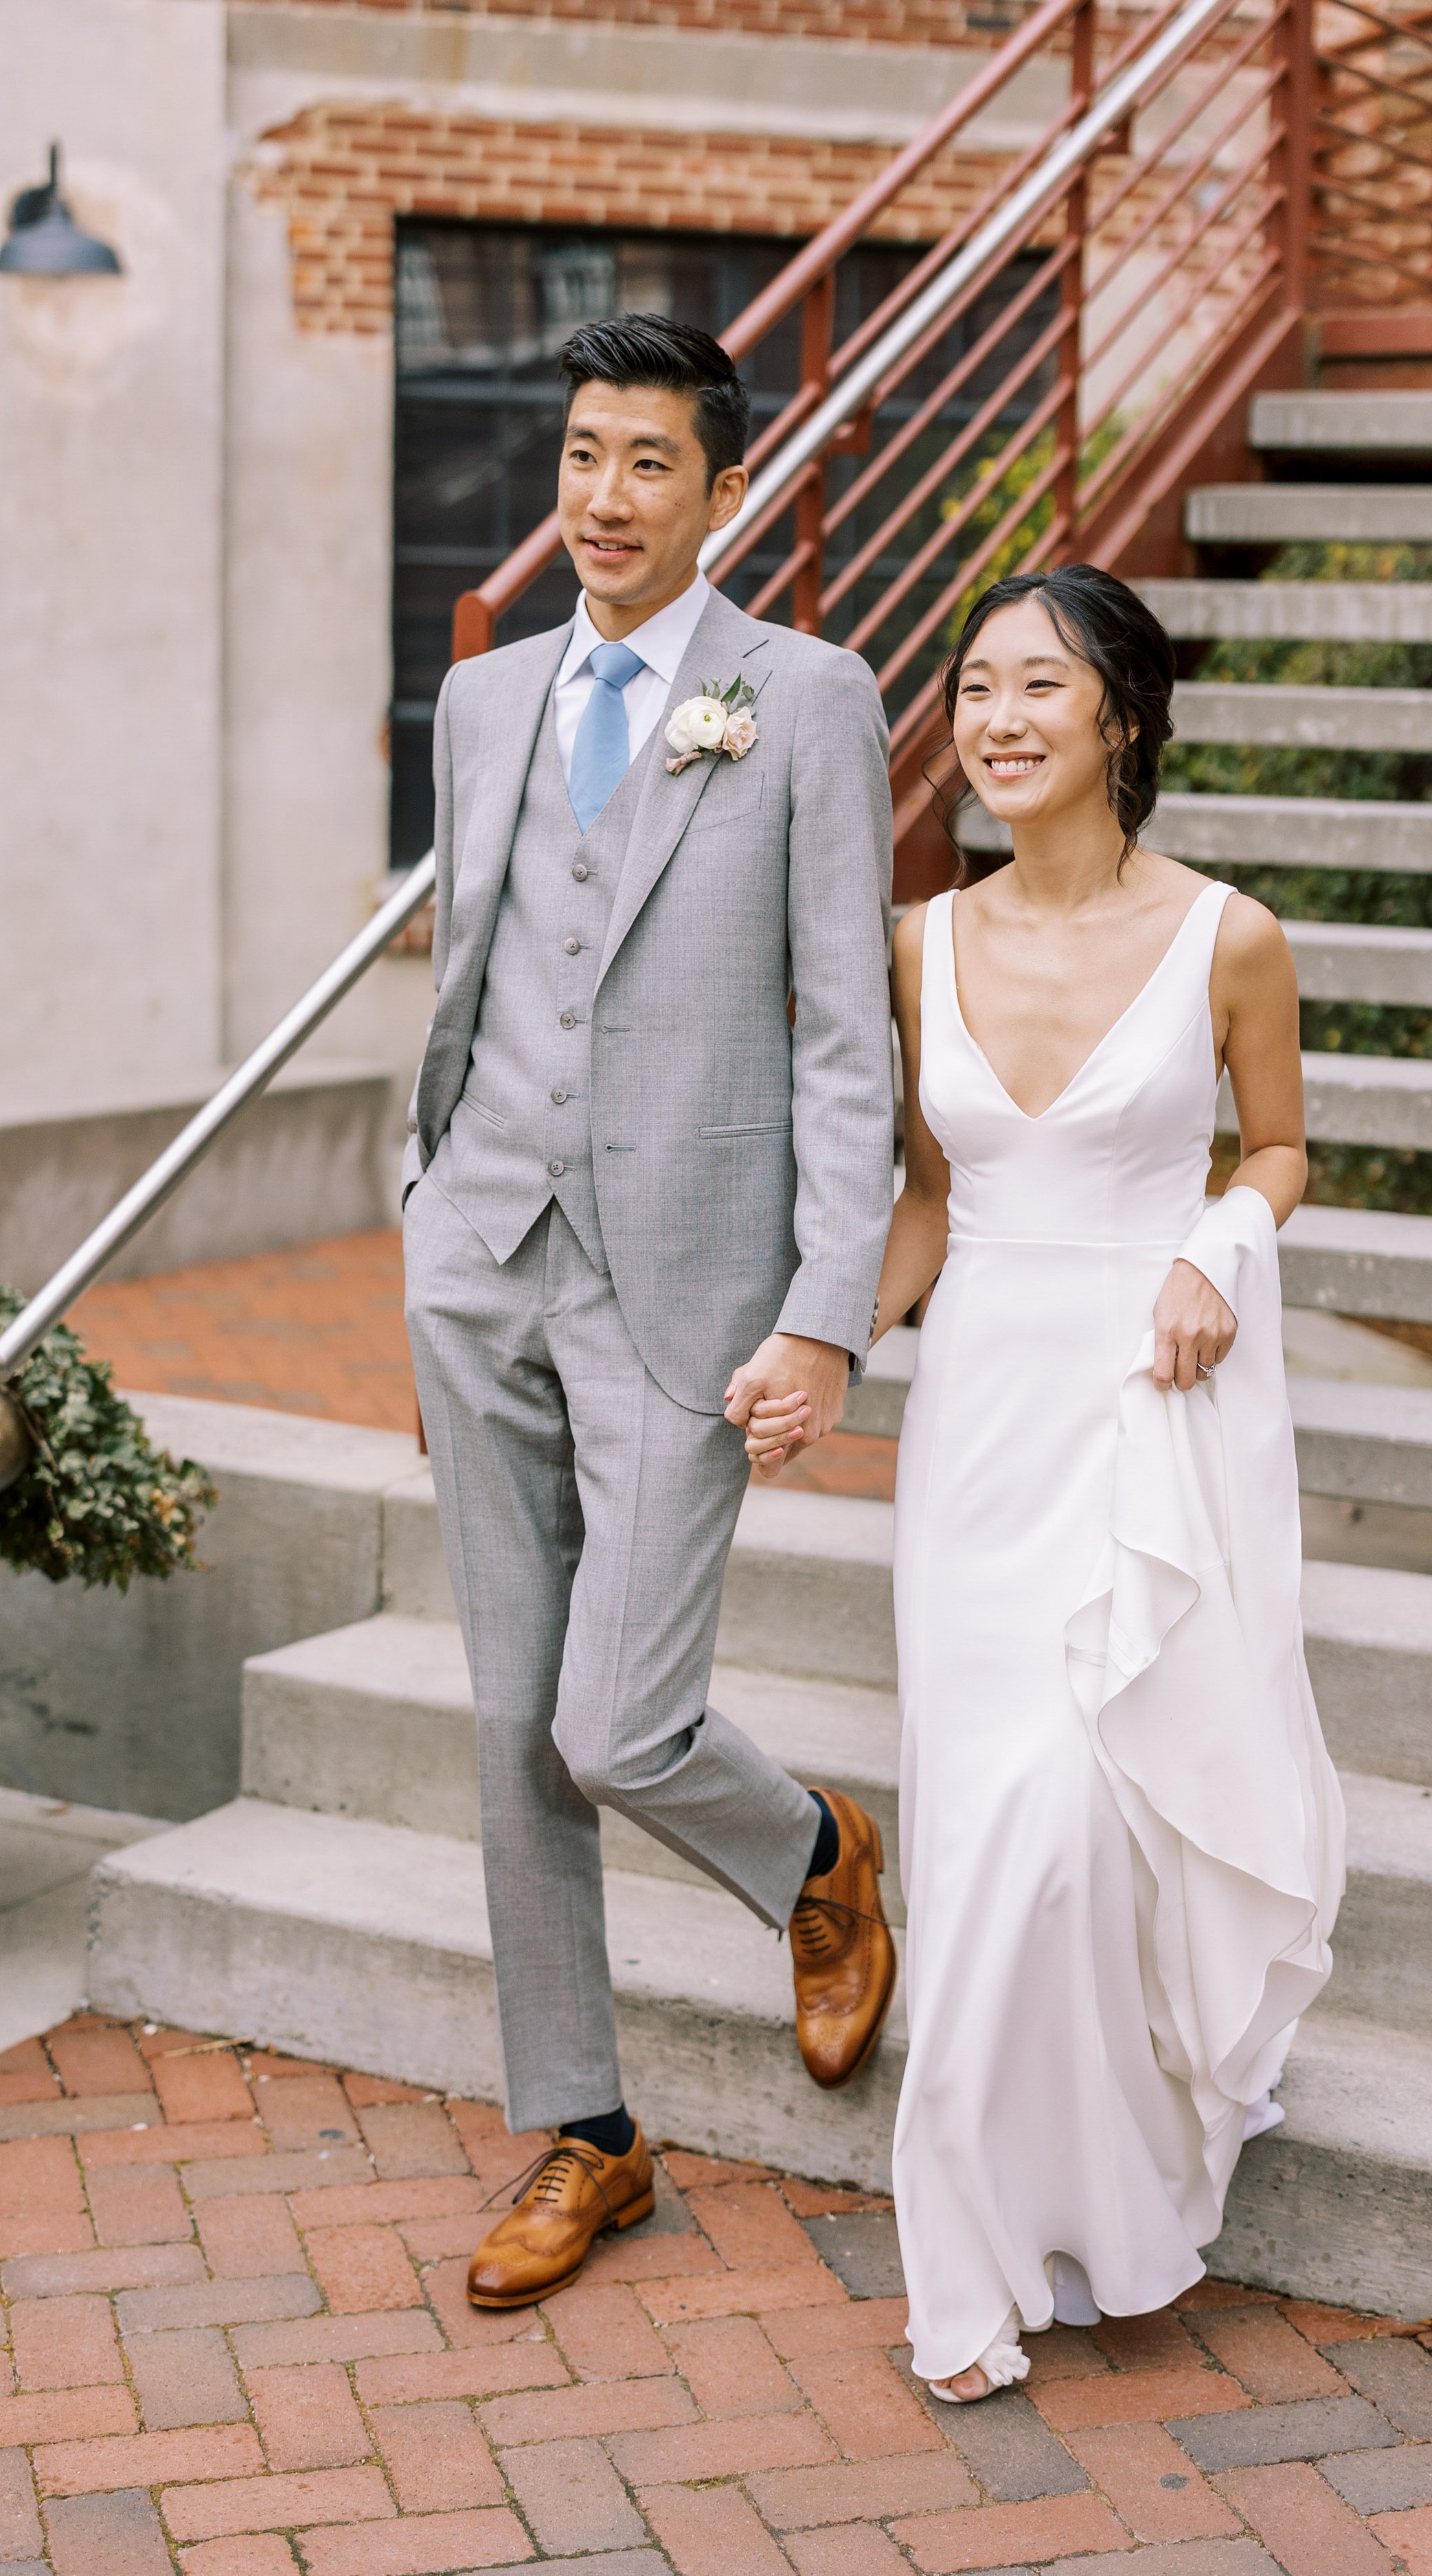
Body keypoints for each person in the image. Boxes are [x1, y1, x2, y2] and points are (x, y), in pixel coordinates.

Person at [749, 563, 1345, 2400]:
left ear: (1121, 718)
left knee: (1101, 1828)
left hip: (1160, 1403)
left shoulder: (1227, 935)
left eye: (1037, 685)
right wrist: (822, 1343)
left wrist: (1213, 1255)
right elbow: (925, 1199)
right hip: (987, 1412)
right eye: (974, 685)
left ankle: (1117, 2188)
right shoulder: (918, 942)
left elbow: (1280, 1147)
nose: (994, 718)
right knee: (995, 1820)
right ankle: (970, 2250)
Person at [401, 313, 898, 2311]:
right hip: (479, 1258)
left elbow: (849, 1041)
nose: (601, 499)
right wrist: (426, 1201)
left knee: (616, 1720)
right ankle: (585, 2136)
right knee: (516, 1727)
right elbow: (473, 965)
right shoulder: (487, 694)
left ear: (719, 492)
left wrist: (826, 1316)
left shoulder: (811, 697)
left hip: (687, 1290)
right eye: (580, 456)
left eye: (644, 466)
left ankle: (808, 1858)